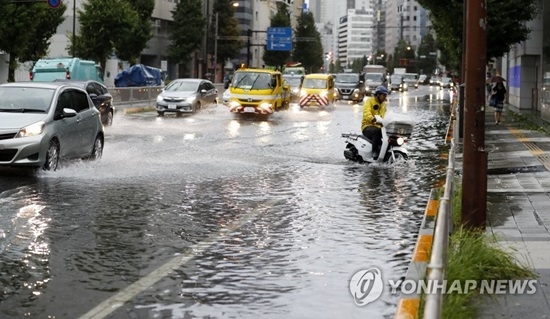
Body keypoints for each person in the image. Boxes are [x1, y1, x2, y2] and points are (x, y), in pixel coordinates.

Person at [361, 86, 388, 159]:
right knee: (376, 131)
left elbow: (386, 115)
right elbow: (366, 112)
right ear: (378, 95)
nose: (385, 97)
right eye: (383, 95)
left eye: (386, 95)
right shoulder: (369, 101)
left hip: (380, 127)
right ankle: (374, 152)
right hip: (367, 126)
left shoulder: (383, 104)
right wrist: (371, 118)